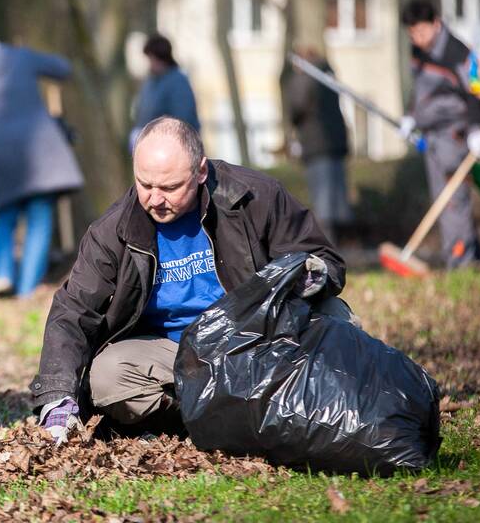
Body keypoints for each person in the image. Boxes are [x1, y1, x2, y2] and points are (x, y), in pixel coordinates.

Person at [30, 117, 357, 443]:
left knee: (335, 317)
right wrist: (58, 402)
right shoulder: (112, 231)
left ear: (201, 171)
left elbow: (323, 260)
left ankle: (317, 409)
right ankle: (224, 419)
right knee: (108, 376)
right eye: (144, 184)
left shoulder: (255, 196)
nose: (155, 199)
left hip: (261, 341)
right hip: (179, 359)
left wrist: (306, 277)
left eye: (170, 188)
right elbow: (72, 311)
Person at [0, 38, 84, 298]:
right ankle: (27, 287)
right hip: (39, 149)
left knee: (6, 216)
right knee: (39, 218)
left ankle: (1, 273)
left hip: (2, 152)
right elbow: (62, 68)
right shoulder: (19, 56)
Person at [399, 0, 480, 269]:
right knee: (444, 198)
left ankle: (459, 263)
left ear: (436, 23)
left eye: (422, 31)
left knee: (452, 201)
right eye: (412, 33)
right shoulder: (418, 52)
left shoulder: (458, 52)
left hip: (455, 134)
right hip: (431, 136)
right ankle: (474, 258)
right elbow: (423, 92)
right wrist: (412, 116)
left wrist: (475, 129)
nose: (417, 38)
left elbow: (477, 89)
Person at [284, 48, 354, 242]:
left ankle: (329, 247)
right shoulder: (328, 76)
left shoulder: (306, 77)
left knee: (323, 205)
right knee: (337, 202)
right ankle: (340, 244)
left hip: (317, 145)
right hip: (335, 144)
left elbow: (296, 107)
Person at [130, 34, 200, 148]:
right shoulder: (150, 82)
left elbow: (183, 121)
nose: (150, 64)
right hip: (150, 146)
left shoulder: (178, 82)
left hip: (173, 147)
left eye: (151, 59)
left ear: (161, 58)